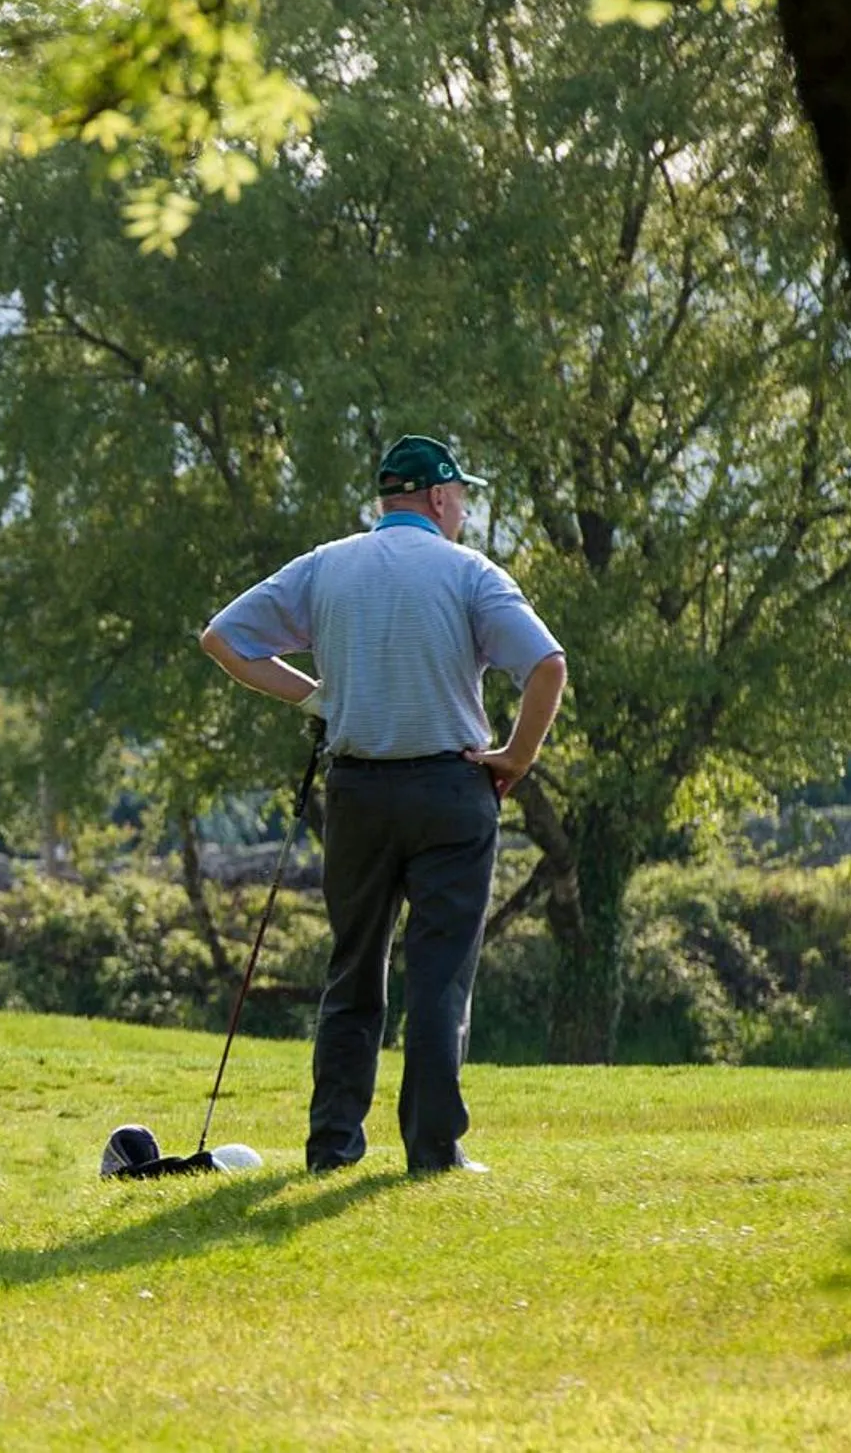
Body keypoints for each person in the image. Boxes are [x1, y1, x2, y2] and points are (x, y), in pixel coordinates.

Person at [199, 434, 567, 1176]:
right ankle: (433, 1152)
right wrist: (516, 758)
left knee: (354, 970)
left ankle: (333, 1147)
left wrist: (315, 697)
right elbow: (547, 664)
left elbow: (223, 638)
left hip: (358, 794)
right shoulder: (470, 572)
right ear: (438, 496)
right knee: (438, 978)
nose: (463, 511)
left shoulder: (325, 565)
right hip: (451, 792)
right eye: (461, 498)